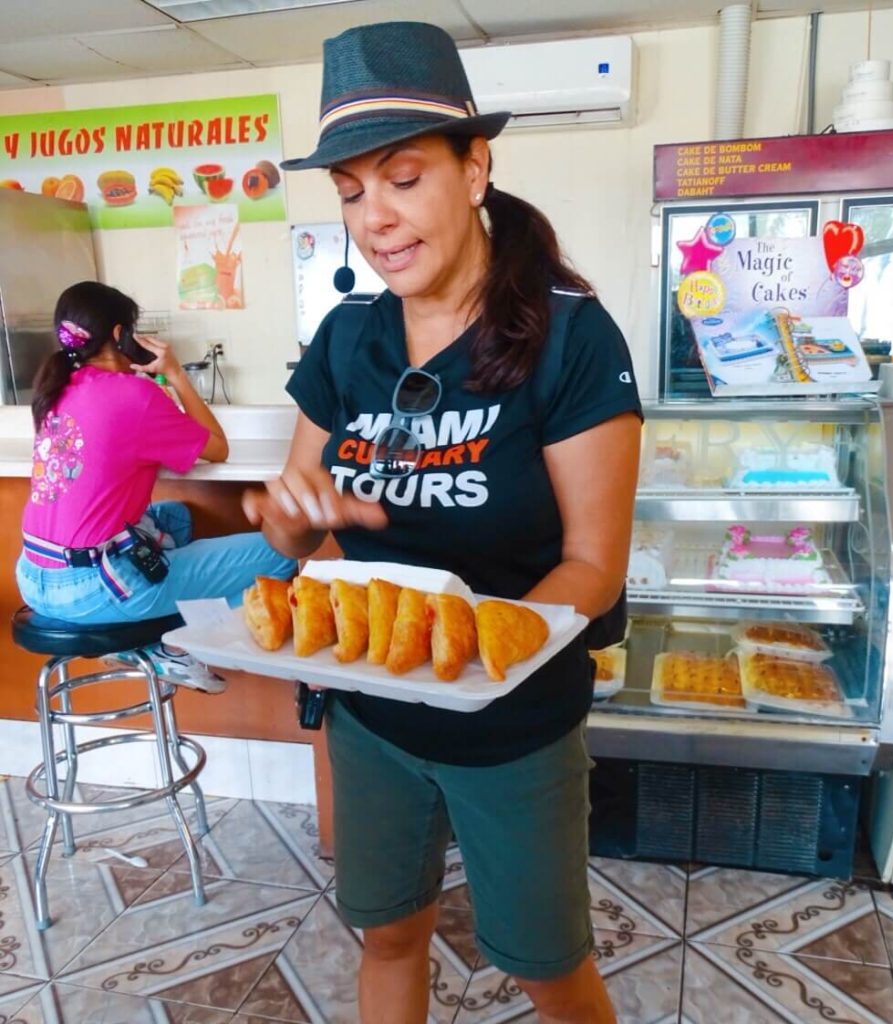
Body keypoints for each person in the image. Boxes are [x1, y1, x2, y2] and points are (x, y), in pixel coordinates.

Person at [244, 21, 641, 1023]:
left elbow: (593, 563)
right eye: (349, 192)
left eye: (403, 177)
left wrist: (482, 666)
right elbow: (295, 539)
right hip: (371, 713)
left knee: (544, 961)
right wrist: (293, 520)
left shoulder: (569, 339)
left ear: (474, 169)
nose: (374, 217)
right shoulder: (345, 340)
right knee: (388, 930)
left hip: (513, 721)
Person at [16, 280, 296, 690]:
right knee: (281, 552)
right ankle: (176, 647)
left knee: (176, 519)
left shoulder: (53, 392)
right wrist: (174, 372)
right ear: (120, 335)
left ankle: (147, 628)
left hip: (34, 577)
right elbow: (218, 448)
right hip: (92, 588)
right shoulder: (136, 394)